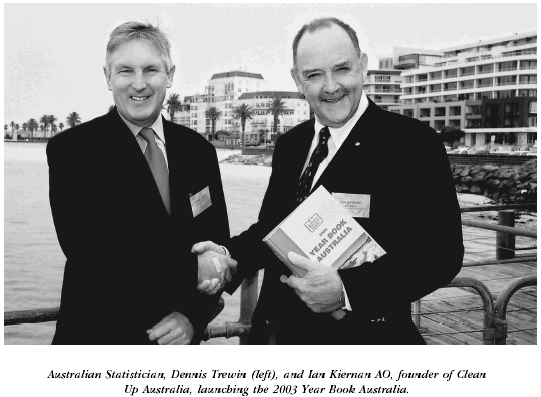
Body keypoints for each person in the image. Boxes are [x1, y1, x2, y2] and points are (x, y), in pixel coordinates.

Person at [194, 17, 464, 345]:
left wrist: (346, 292)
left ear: (363, 66)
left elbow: (442, 255)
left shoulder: (414, 144)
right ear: (297, 79)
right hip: (276, 336)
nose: (331, 86)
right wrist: (226, 255)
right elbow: (274, 230)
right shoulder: (291, 144)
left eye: (342, 69)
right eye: (314, 75)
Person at [47, 21, 235, 345]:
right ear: (108, 77)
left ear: (170, 75)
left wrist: (192, 316)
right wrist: (193, 270)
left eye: (150, 70)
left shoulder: (199, 151)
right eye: (125, 71)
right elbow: (90, 253)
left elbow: (215, 244)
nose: (139, 84)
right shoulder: (72, 150)